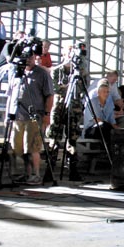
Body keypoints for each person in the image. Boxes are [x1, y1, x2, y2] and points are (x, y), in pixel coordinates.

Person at [6, 50, 54, 185]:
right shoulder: (15, 73)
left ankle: (35, 174)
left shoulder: (42, 74)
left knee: (32, 147)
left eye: (30, 57)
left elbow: (49, 96)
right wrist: (7, 115)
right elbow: (10, 96)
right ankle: (25, 174)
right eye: (25, 57)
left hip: (34, 116)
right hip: (17, 116)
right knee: (17, 148)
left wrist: (47, 114)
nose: (27, 59)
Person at [46, 45, 86, 181]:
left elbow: (83, 89)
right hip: (59, 108)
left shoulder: (81, 72)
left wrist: (69, 84)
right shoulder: (57, 71)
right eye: (68, 53)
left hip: (74, 109)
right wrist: (69, 86)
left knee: (72, 139)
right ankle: (50, 170)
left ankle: (73, 170)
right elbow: (56, 88)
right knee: (54, 138)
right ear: (63, 55)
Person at [84, 79, 118, 146]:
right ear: (98, 92)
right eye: (104, 91)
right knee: (103, 126)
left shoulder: (110, 104)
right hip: (91, 130)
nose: (106, 94)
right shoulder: (92, 102)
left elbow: (112, 121)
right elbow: (96, 120)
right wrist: (109, 125)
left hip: (105, 129)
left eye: (107, 92)